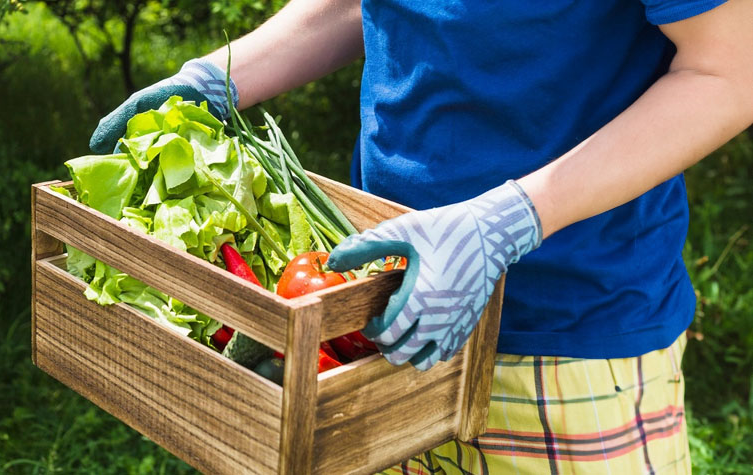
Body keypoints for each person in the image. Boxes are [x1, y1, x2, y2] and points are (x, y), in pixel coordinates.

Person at [89, 0, 753, 472]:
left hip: (566, 340)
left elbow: (730, 71)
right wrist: (218, 77)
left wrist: (512, 218)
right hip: (379, 324)